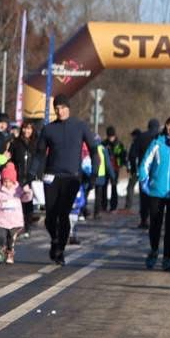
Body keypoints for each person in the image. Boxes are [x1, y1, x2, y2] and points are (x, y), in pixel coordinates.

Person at [32, 97, 99, 265]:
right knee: (50, 217)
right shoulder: (48, 129)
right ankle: (55, 239)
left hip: (71, 178)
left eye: (62, 107)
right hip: (51, 177)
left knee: (63, 215)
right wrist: (31, 172)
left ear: (68, 108)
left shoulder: (80, 126)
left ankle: (60, 249)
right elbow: (39, 153)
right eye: (57, 108)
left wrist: (94, 174)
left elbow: (93, 150)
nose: (60, 111)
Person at [137, 117, 170, 271]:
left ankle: (167, 258)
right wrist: (143, 180)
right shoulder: (157, 143)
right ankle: (154, 251)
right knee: (155, 224)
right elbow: (144, 164)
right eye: (169, 124)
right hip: (157, 191)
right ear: (165, 127)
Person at [0, 161, 31, 263]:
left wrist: (28, 191)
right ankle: (1, 252)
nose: (7, 184)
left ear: (13, 181)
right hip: (2, 220)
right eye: (5, 181)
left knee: (11, 240)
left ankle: (10, 253)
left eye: (9, 181)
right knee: (1, 237)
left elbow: (26, 198)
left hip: (15, 221)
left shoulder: (17, 190)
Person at [7, 120, 39, 228]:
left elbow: (39, 159)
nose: (27, 131)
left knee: (28, 202)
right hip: (17, 176)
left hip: (31, 176)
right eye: (25, 128)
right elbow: (10, 158)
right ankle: (17, 225)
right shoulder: (15, 142)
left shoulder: (36, 143)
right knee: (17, 201)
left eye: (29, 128)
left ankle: (27, 225)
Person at [131, 120, 159, 228]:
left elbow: (133, 155)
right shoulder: (161, 138)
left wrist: (134, 169)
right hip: (157, 172)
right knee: (156, 196)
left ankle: (144, 220)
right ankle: (155, 219)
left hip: (144, 171)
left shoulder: (141, 137)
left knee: (144, 197)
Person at [101, 126, 127, 211]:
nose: (111, 138)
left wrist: (122, 163)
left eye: (112, 136)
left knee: (114, 186)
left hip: (115, 168)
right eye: (109, 136)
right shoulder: (104, 143)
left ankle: (113, 206)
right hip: (105, 168)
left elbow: (123, 154)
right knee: (103, 187)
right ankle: (103, 205)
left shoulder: (119, 144)